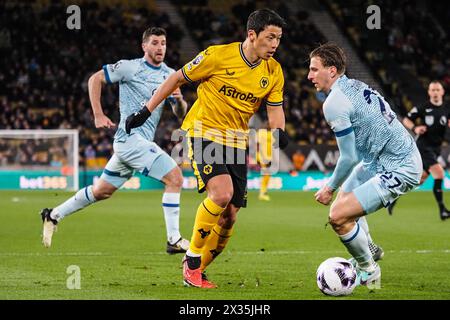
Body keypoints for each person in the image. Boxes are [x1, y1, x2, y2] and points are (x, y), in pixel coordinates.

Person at [125, 9, 289, 288]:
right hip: (205, 130)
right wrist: (145, 110)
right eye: (270, 37)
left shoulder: (273, 72)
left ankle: (196, 269)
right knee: (222, 194)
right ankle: (191, 259)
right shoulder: (217, 56)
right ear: (252, 35)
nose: (275, 44)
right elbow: (177, 78)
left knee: (230, 216)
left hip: (237, 141)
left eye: (279, 38)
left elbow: (275, 111)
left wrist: (279, 134)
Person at [40, 27, 190, 254]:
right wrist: (98, 114)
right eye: (155, 43)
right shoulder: (130, 67)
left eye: (164, 43)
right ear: (144, 46)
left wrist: (178, 101)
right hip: (131, 140)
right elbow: (95, 79)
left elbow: (181, 114)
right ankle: (173, 238)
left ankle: (52, 215)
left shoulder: (170, 75)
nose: (160, 48)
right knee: (175, 178)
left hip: (132, 146)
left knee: (102, 191)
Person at [309, 43, 422, 288]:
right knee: (342, 204)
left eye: (314, 69)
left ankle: (369, 270)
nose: (309, 76)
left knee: (338, 216)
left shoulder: (333, 104)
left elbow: (348, 157)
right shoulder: (356, 85)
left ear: (331, 70)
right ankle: (368, 246)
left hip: (400, 166)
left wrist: (328, 187)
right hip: (380, 160)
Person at [387, 81, 450, 220]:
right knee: (439, 174)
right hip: (423, 147)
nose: (435, 92)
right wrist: (415, 128)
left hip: (436, 149)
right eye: (432, 90)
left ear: (442, 92)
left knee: (419, 180)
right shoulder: (423, 107)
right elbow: (406, 120)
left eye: (437, 90)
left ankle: (392, 199)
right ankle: (443, 210)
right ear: (429, 92)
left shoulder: (446, 109)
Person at [257, 121, 274, 201]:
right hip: (262, 157)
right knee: (266, 174)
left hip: (270, 158)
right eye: (268, 124)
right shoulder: (261, 133)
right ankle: (262, 193)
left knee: (267, 175)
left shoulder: (273, 134)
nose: (270, 126)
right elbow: (256, 144)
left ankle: (264, 191)